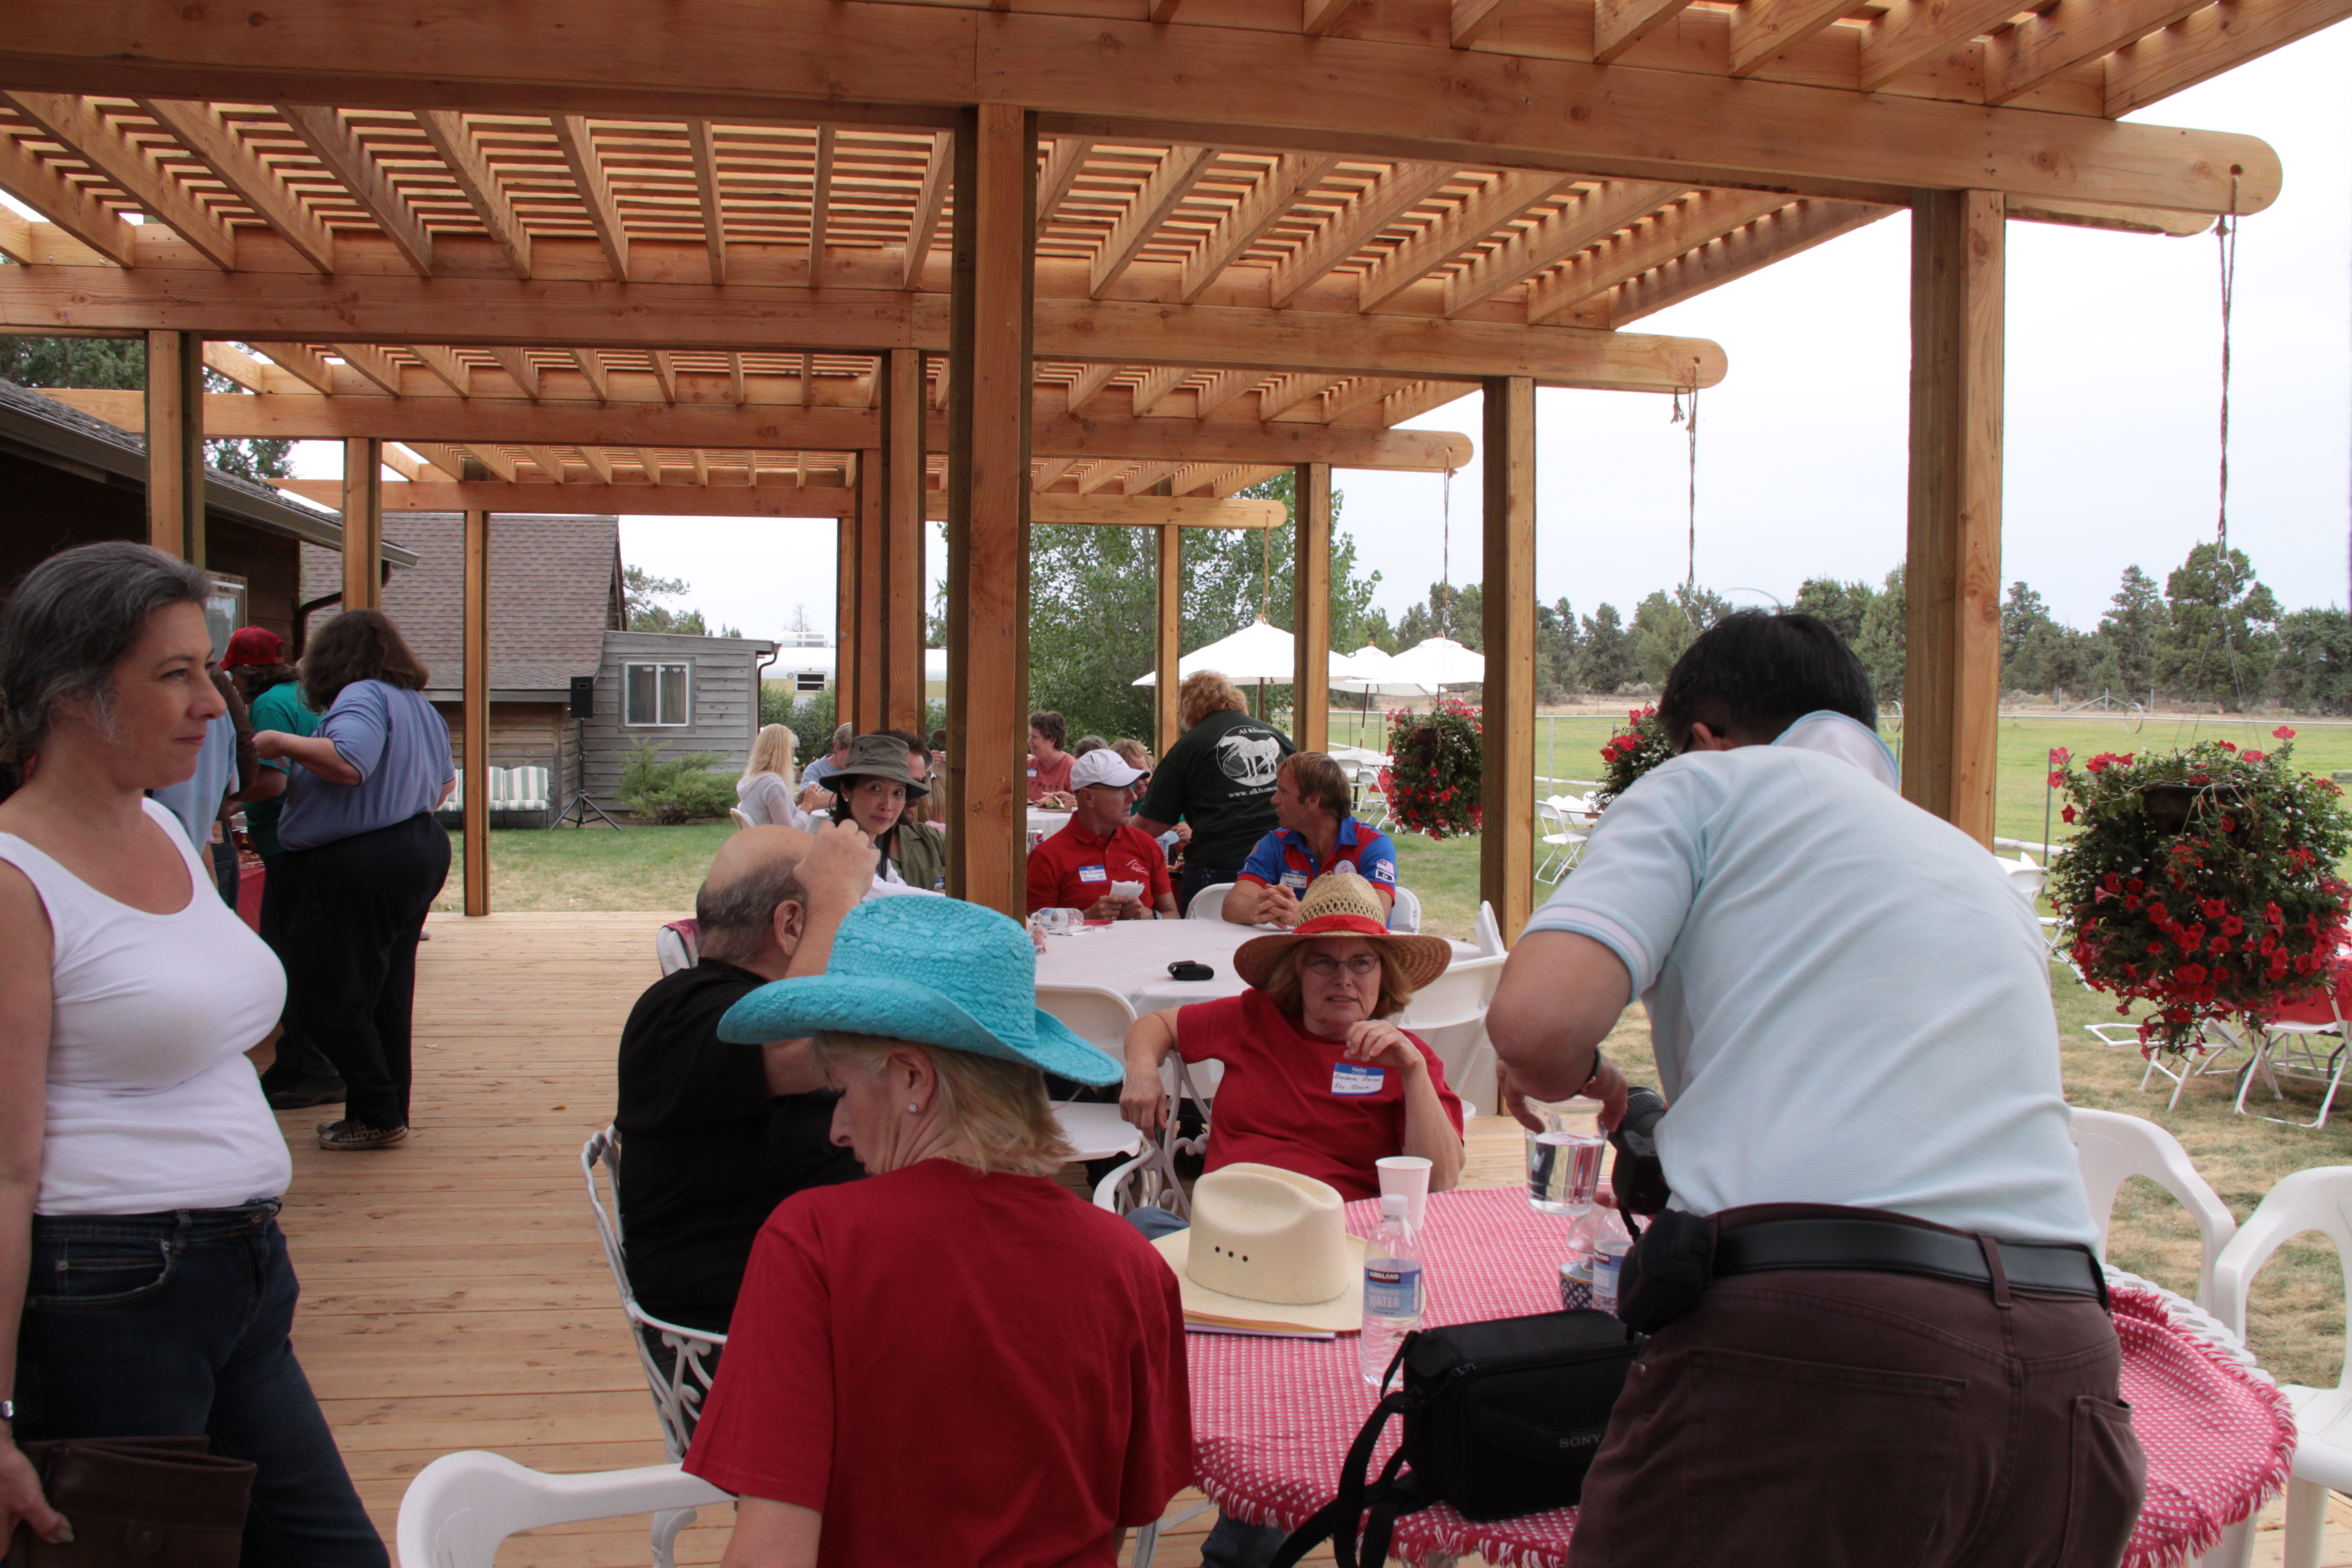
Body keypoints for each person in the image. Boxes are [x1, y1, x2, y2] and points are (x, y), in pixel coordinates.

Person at [1485, 611, 2140, 1568]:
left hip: (1820, 1347)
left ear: (1703, 736)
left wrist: (1590, 1076)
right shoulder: (1973, 862)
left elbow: (1535, 1024)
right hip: (2068, 1364)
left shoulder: (1707, 785)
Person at [0, 540, 386, 1564]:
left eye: (207, 670)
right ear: (70, 692)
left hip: (242, 1269)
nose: (214, 705)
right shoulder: (13, 881)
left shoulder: (163, 830)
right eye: (174, 674)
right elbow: (2, 1172)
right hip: (111, 1290)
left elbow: (218, 1029)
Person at [682, 896, 1192, 1566]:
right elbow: (1121, 1515)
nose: (837, 1129)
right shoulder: (1131, 1262)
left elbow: (771, 1549)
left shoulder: (816, 1243)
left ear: (912, 1078)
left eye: (841, 1091)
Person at [615, 822, 873, 1341]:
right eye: (849, 918)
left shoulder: (730, 1003)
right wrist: (835, 891)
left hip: (818, 1292)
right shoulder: (678, 1013)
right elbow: (805, 1041)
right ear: (790, 926)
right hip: (746, 1337)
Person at [1120, 873, 1464, 1202]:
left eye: (1362, 963)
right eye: (1324, 963)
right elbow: (1155, 1024)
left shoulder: (1407, 1059)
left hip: (1338, 1230)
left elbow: (1440, 1183)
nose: (1344, 979)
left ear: (1383, 975)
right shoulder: (1255, 1016)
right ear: (1298, 972)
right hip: (1230, 1222)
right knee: (1142, 1229)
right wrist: (1142, 1070)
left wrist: (1413, 1073)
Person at [257, 609, 454, 1151]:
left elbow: (348, 762)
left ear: (334, 657)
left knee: (323, 993)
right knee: (387, 991)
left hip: (358, 861)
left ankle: (377, 1107)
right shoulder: (418, 705)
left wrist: (278, 742)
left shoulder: (362, 694)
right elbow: (444, 787)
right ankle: (381, 1112)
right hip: (418, 848)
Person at [229, 628, 342, 1110]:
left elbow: (272, 782)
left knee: (288, 959)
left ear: (246, 672)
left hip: (283, 841)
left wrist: (220, 800)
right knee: (309, 957)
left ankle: (312, 1067)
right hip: (315, 841)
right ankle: (304, 1062)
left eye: (233, 675)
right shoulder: (302, 695)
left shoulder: (269, 706)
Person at [1130, 670, 1294, 914]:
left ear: (1189, 708)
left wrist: (1106, 835)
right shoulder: (1275, 735)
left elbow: (1149, 825)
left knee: (1205, 936)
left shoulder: (1189, 746)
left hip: (1221, 864)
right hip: (1286, 857)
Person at [1225, 750, 1398, 929]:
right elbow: (1232, 904)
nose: (1274, 800)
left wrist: (1307, 913)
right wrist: (1264, 909)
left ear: (1313, 801)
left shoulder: (1373, 844)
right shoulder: (1276, 843)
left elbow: (1377, 915)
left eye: (1284, 791)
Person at [1027, 747, 1176, 920]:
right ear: (1088, 797)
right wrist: (1086, 918)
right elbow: (1033, 926)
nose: (1133, 796)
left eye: (1131, 787)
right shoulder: (1048, 856)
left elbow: (1174, 916)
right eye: (1121, 789)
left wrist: (1150, 917)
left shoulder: (1146, 845)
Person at [822, 734, 931, 892]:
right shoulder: (837, 852)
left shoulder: (876, 854)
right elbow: (891, 897)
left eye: (898, 793)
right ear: (846, 790)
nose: (887, 806)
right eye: (875, 788)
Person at [878, 730, 948, 892]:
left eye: (921, 783)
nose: (918, 795)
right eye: (903, 785)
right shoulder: (846, 848)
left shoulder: (933, 839)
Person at [737, 723, 806, 830]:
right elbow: (787, 831)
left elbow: (775, 812)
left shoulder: (754, 779)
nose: (793, 755)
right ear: (782, 753)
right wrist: (808, 807)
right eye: (791, 749)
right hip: (773, 840)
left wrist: (798, 801)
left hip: (757, 838)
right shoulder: (773, 785)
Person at [1026, 709, 1075, 804]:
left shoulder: (1074, 769)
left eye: (1035, 737)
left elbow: (1079, 806)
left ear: (1052, 741)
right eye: (1030, 736)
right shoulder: (1028, 765)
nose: (1029, 741)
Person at [798, 723, 854, 790]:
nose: (857, 758)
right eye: (852, 753)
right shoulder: (815, 771)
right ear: (837, 748)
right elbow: (809, 796)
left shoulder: (863, 769)